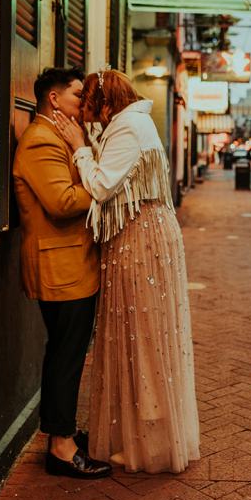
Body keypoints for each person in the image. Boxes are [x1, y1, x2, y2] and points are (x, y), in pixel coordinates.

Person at [53, 69, 200, 475]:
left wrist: (80, 147)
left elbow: (101, 186)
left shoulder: (129, 128)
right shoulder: (132, 123)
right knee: (139, 336)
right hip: (140, 234)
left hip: (140, 240)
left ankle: (146, 443)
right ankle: (138, 436)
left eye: (89, 103)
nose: (84, 111)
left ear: (104, 102)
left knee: (142, 338)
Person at [12, 68, 112, 479]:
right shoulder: (40, 141)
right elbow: (63, 201)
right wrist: (106, 185)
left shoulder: (62, 138)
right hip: (60, 266)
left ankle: (63, 433)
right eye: (76, 95)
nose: (83, 103)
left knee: (68, 354)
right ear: (54, 99)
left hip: (73, 263)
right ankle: (61, 447)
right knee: (66, 358)